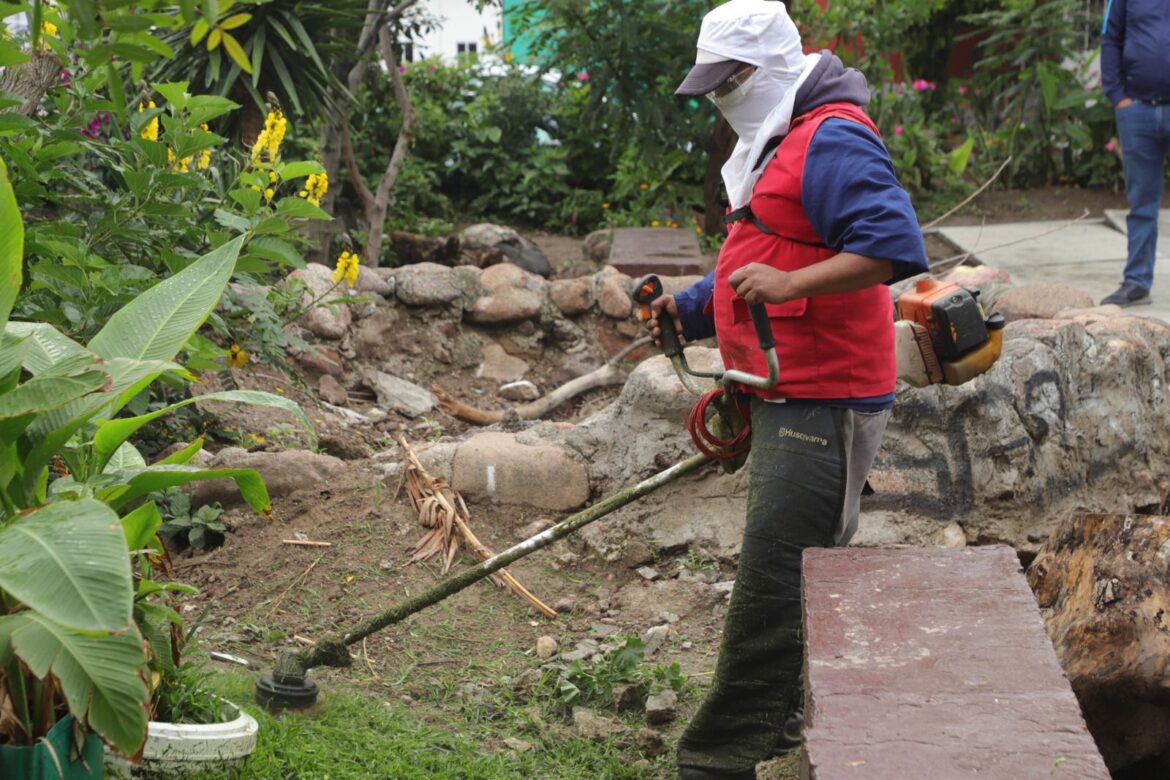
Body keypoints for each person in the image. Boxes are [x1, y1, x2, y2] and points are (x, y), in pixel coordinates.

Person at [645, 2, 928, 778]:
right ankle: (777, 731)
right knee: (785, 567)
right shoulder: (775, 140)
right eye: (710, 85)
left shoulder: (832, 136)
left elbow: (895, 246)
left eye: (727, 80)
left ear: (767, 68)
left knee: (778, 577)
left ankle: (718, 758)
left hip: (828, 393)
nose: (717, 97)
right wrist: (694, 308)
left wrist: (793, 281)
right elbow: (763, 249)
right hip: (783, 385)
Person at [1100, 0, 1170, 307]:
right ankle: (1137, 281)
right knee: (1142, 203)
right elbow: (1110, 38)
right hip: (1137, 111)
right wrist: (1117, 96)